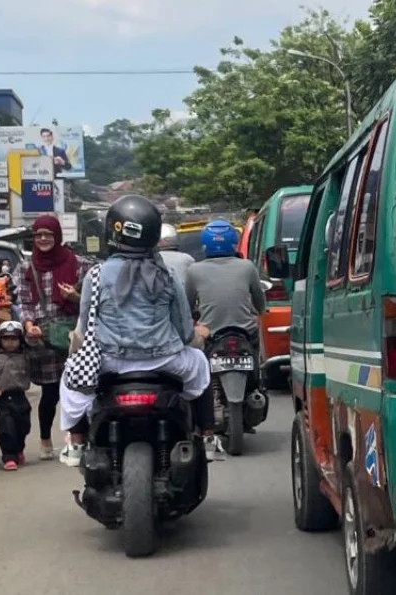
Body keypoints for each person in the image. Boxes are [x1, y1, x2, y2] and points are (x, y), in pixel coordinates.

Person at [57, 195, 216, 465]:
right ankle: (210, 436)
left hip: (110, 363)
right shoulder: (167, 275)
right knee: (201, 367)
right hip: (165, 361)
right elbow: (184, 330)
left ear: (112, 231)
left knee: (71, 380)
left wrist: (77, 347)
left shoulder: (95, 275)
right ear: (154, 236)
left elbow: (84, 329)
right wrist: (199, 336)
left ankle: (77, 441)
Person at [16, 215, 83, 462]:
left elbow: (90, 299)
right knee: (51, 392)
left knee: (79, 388)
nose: (43, 239)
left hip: (72, 335)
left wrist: (75, 296)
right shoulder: (26, 266)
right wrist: (29, 324)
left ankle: (79, 438)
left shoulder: (77, 263)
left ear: (57, 237)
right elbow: (24, 302)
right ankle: (45, 439)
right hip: (43, 337)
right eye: (39, 235)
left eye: (48, 235)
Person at [185, 220, 266, 341]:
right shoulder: (247, 266)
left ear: (204, 244)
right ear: (234, 243)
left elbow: (187, 305)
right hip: (246, 332)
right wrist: (261, 312)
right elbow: (259, 300)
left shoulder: (194, 270)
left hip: (209, 334)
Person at [0, 321, 36, 471]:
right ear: (0, 340)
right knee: (6, 429)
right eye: (6, 339)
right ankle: (9, 457)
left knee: (23, 426)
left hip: (20, 397)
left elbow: (37, 355)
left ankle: (19, 449)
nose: (10, 343)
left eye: (14, 339)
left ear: (20, 340)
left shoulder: (25, 356)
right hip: (2, 399)